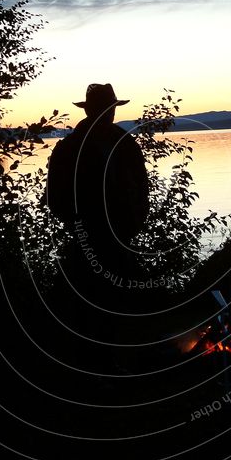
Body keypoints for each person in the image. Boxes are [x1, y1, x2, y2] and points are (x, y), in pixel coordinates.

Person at [46, 83, 149, 315]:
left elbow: (142, 187)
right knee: (99, 309)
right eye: (107, 108)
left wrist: (133, 223)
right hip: (95, 244)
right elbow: (55, 199)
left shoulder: (123, 144)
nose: (110, 113)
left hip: (114, 240)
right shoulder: (71, 149)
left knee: (111, 309)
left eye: (110, 108)